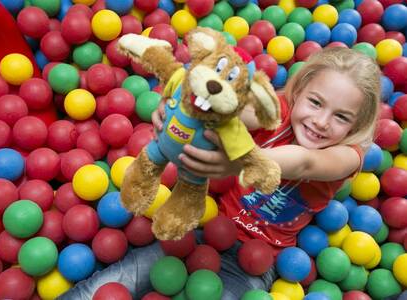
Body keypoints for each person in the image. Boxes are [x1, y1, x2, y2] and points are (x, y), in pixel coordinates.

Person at [58, 47, 381, 299]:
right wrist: (182, 114)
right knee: (117, 282)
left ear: (357, 126)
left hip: (254, 258)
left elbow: (306, 162)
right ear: (297, 92)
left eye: (341, 117)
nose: (322, 121)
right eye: (315, 102)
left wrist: (245, 161)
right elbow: (234, 109)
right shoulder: (277, 112)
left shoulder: (347, 156)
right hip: (204, 223)